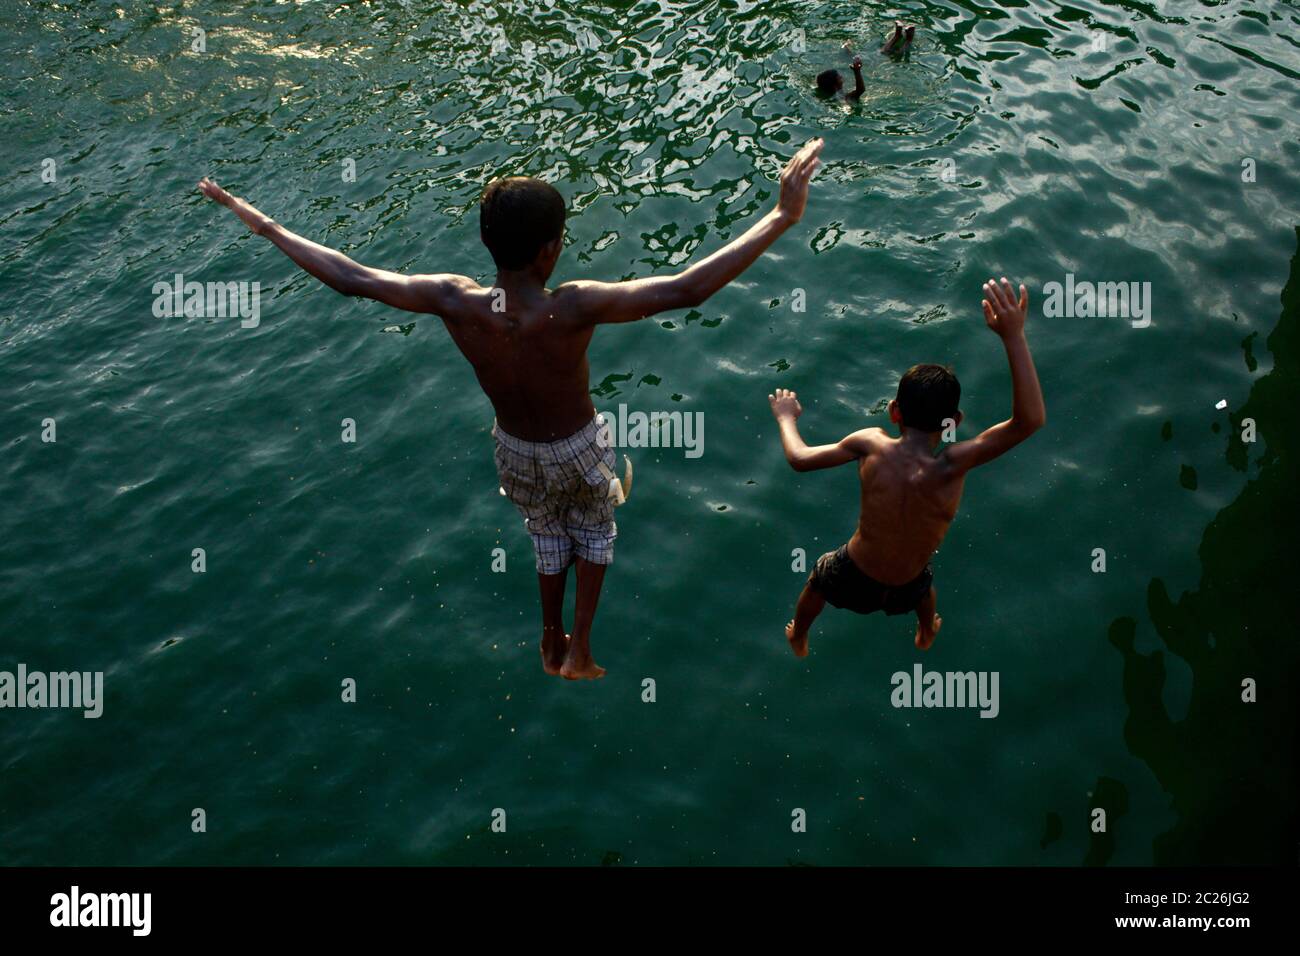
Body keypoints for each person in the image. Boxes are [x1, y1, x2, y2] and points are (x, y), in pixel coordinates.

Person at [197, 138, 824, 680]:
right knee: (595, 532)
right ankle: (579, 648)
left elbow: (350, 277)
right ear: (550, 250)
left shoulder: (457, 301)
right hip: (576, 445)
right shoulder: (571, 306)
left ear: (486, 241)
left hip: (514, 449)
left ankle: (548, 636)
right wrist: (780, 216)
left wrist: (261, 221)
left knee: (546, 534)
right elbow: (687, 287)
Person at [768, 277, 1045, 656]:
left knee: (817, 582)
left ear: (894, 412)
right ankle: (926, 629)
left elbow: (799, 460)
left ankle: (798, 634)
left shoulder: (870, 444)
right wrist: (1013, 335)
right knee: (924, 590)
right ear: (955, 421)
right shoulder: (953, 465)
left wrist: (786, 418)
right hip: (907, 582)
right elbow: (1028, 421)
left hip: (855, 572)